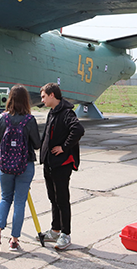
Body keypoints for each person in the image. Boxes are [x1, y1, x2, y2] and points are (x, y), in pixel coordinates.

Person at [0, 85, 41, 254]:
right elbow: (36, 144)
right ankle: (14, 240)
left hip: (5, 166)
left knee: (5, 198)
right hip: (24, 165)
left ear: (9, 98)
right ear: (26, 100)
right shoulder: (29, 120)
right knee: (19, 202)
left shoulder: (0, 119)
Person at [39, 83, 84, 251]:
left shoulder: (66, 113)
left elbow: (78, 129)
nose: (42, 100)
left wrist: (64, 147)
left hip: (61, 164)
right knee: (53, 198)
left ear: (52, 95)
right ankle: (55, 229)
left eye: (43, 96)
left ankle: (66, 233)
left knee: (62, 200)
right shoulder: (52, 113)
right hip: (49, 163)